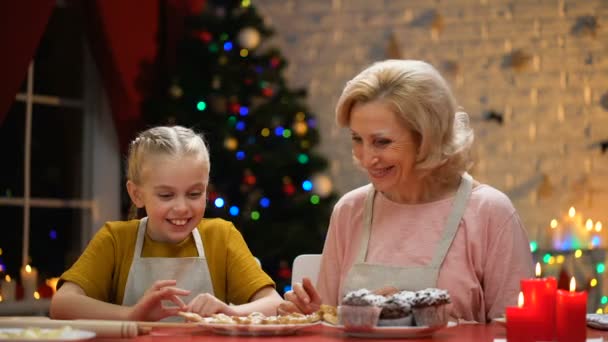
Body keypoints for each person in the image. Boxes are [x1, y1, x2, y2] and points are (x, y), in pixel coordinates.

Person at [278, 60, 534, 323]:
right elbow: (329, 319)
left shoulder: (489, 212)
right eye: (357, 139)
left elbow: (517, 331)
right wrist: (314, 318)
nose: (366, 158)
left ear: (427, 138)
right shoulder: (349, 210)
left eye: (382, 142)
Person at [51, 126, 282, 321]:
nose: (182, 207)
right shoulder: (116, 240)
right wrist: (131, 315)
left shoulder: (222, 236)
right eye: (166, 195)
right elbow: (62, 305)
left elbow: (275, 304)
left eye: (194, 194)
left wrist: (230, 312)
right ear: (136, 194)